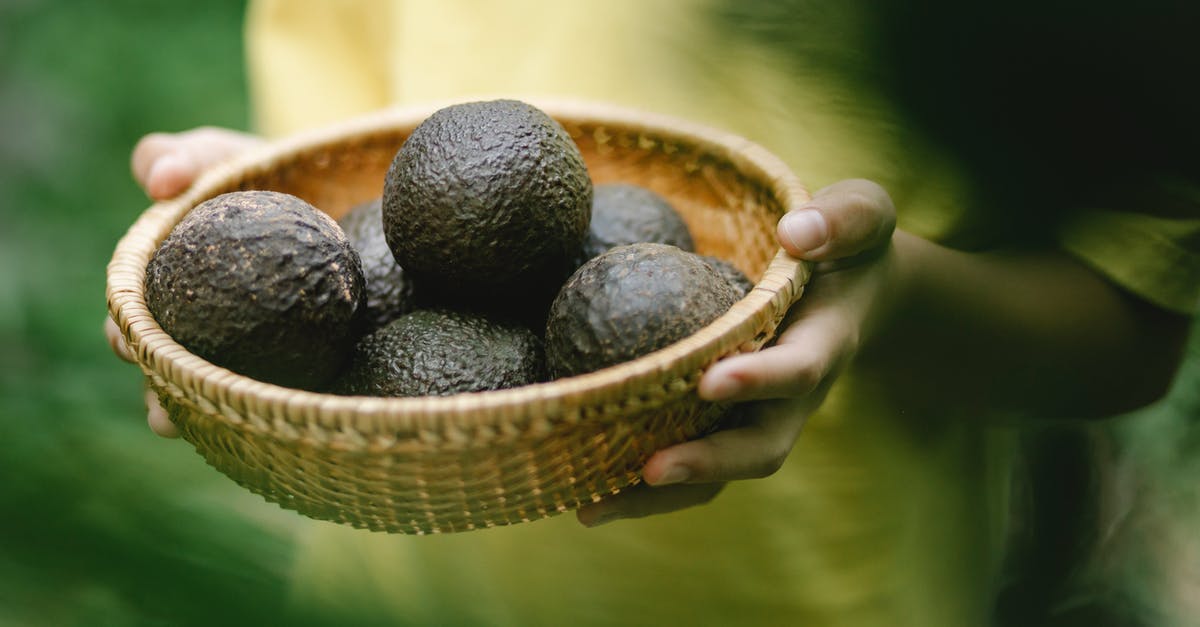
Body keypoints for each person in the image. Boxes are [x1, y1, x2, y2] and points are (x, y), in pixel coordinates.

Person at [106, 1, 1200, 624]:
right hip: (395, 588)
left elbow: (1128, 333)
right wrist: (248, 260)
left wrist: (889, 299)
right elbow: (359, 210)